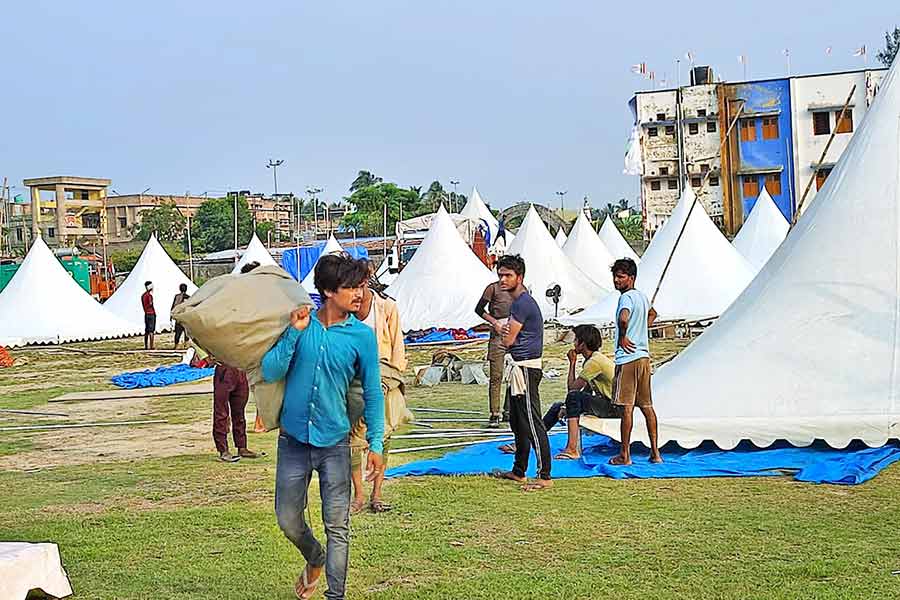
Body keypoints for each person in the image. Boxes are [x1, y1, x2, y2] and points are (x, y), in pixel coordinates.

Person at [262, 252, 385, 600]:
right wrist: (291, 333)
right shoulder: (301, 325)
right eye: (352, 288)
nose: (360, 295)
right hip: (294, 442)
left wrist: (375, 444)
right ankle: (314, 557)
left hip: (335, 444)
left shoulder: (362, 336)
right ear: (329, 290)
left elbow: (373, 393)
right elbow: (270, 371)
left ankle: (335, 595)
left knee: (338, 528)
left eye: (361, 287)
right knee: (288, 520)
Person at [349, 271, 410, 514]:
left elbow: (397, 347)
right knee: (352, 439)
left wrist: (392, 379)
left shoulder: (386, 307)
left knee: (382, 436)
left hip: (384, 378)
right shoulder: (343, 308)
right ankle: (358, 496)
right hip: (352, 381)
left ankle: (376, 494)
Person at [494, 254, 552, 491]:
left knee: (531, 420)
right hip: (519, 367)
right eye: (500, 275)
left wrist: (502, 332)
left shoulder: (522, 303)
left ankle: (544, 475)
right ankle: (519, 470)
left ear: (520, 277)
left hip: (526, 369)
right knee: (518, 422)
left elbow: (508, 339)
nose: (502, 280)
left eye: (507, 275)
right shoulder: (519, 303)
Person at [609, 258, 662, 466]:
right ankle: (656, 453)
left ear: (631, 278)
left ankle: (625, 455)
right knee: (647, 406)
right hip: (643, 357)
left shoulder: (627, 299)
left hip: (628, 358)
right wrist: (642, 330)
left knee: (627, 408)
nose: (616, 280)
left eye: (621, 277)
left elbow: (623, 318)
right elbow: (653, 313)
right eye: (615, 276)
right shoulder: (642, 297)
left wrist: (624, 335)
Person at [541, 324, 615, 460]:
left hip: (613, 407)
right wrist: (565, 407)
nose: (573, 343)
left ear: (583, 344)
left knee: (573, 397)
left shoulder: (595, 362)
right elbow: (585, 391)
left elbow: (573, 390)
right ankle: (531, 440)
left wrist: (572, 363)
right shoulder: (592, 360)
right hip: (605, 403)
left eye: (576, 340)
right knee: (558, 406)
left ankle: (572, 448)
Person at [474, 279, 514, 428]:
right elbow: (479, 309)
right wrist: (494, 322)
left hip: (516, 335)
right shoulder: (493, 288)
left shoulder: (520, 289)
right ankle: (494, 413)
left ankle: (509, 410)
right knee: (496, 376)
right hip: (498, 336)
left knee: (515, 374)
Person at [211, 359, 261, 463]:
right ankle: (223, 450)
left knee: (240, 413)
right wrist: (207, 357)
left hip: (241, 370)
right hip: (224, 369)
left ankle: (242, 447)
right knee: (221, 412)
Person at [171, 283, 191, 349]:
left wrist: (172, 315)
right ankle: (186, 344)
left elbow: (173, 306)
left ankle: (176, 345)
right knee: (186, 332)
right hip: (185, 317)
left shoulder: (177, 297)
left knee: (177, 332)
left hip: (178, 317)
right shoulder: (188, 297)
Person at [141, 281, 156, 350]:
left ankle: (146, 346)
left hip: (146, 313)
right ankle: (151, 346)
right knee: (151, 331)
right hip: (151, 313)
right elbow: (150, 303)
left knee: (147, 330)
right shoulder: (149, 296)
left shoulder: (143, 295)